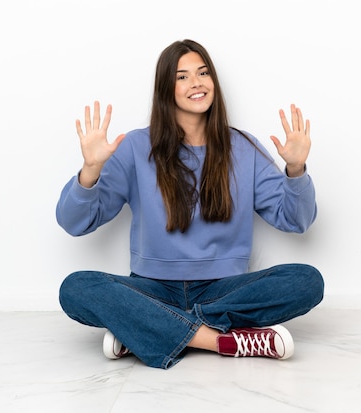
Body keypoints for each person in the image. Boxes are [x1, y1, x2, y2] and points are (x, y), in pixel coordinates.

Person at [56, 39, 324, 369]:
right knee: (76, 288)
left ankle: (145, 328)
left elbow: (295, 220)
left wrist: (295, 171)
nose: (196, 82)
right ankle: (219, 340)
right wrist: (91, 170)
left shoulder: (244, 148)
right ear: (165, 89)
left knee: (306, 281)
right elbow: (74, 222)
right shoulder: (137, 146)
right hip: (152, 288)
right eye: (182, 77)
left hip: (223, 290)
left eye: (203, 73)